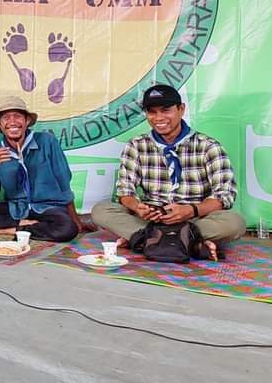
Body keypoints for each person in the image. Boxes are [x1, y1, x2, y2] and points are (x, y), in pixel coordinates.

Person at [91, 83, 245, 261]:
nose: (159, 118)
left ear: (181, 109)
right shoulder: (136, 145)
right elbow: (125, 193)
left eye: (166, 110)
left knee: (235, 223)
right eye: (152, 112)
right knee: (101, 211)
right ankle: (188, 241)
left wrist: (191, 210)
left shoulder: (208, 146)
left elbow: (224, 196)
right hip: (151, 219)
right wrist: (138, 208)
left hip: (194, 219)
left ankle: (148, 239)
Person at [0, 97, 80, 242]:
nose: (12, 122)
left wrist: (75, 219)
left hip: (47, 208)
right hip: (16, 210)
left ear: (27, 121)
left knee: (67, 228)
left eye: (17, 116)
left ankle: (6, 229)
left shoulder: (46, 141)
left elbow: (64, 180)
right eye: (6, 118)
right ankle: (19, 226)